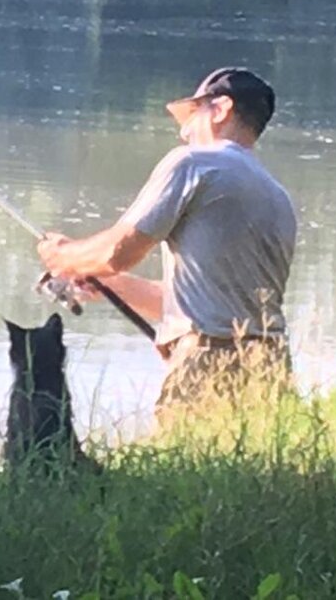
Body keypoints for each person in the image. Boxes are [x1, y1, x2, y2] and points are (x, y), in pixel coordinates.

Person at [36, 67, 297, 422]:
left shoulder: (194, 163)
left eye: (191, 116)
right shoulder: (276, 195)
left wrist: (64, 256)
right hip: (271, 365)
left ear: (220, 109)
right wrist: (109, 284)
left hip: (207, 364)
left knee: (182, 470)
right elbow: (201, 302)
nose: (183, 130)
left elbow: (117, 252)